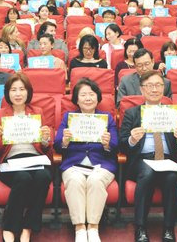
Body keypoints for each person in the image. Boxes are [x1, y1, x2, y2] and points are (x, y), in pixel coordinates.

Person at [119, 70, 177, 242]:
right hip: (141, 160)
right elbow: (122, 144)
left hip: (166, 159)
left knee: (172, 177)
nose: (154, 89)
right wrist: (132, 140)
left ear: (163, 89)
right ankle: (140, 227)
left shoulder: (173, 113)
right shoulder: (132, 113)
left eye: (158, 85)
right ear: (142, 90)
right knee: (147, 171)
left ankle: (168, 228)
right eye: (150, 86)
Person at [0, 73, 52, 242]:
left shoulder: (37, 112)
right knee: (23, 178)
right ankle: (9, 226)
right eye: (13, 90)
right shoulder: (0, 114)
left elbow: (46, 146)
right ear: (7, 93)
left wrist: (45, 137)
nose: (17, 93)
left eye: (21, 89)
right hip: (11, 161)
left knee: (44, 176)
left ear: (28, 92)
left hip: (35, 158)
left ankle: (27, 227)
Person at [54, 79, 118, 242]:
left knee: (95, 181)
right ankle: (80, 227)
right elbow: (57, 145)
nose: (88, 98)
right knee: (75, 180)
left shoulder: (106, 117)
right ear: (76, 99)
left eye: (92, 94)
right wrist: (65, 141)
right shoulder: (69, 117)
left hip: (101, 163)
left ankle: (93, 227)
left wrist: (107, 144)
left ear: (98, 98)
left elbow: (116, 145)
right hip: (74, 163)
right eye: (83, 95)